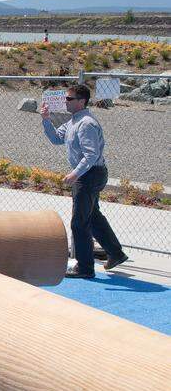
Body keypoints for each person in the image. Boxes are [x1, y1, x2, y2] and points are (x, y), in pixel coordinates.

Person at [40, 83, 128, 278]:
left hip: (90, 175)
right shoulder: (73, 121)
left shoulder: (86, 123)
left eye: (69, 99)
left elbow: (91, 155)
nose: (65, 102)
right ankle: (115, 253)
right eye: (65, 98)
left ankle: (85, 268)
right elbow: (56, 138)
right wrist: (46, 119)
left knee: (79, 223)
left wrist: (75, 174)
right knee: (92, 216)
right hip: (88, 174)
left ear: (81, 101)